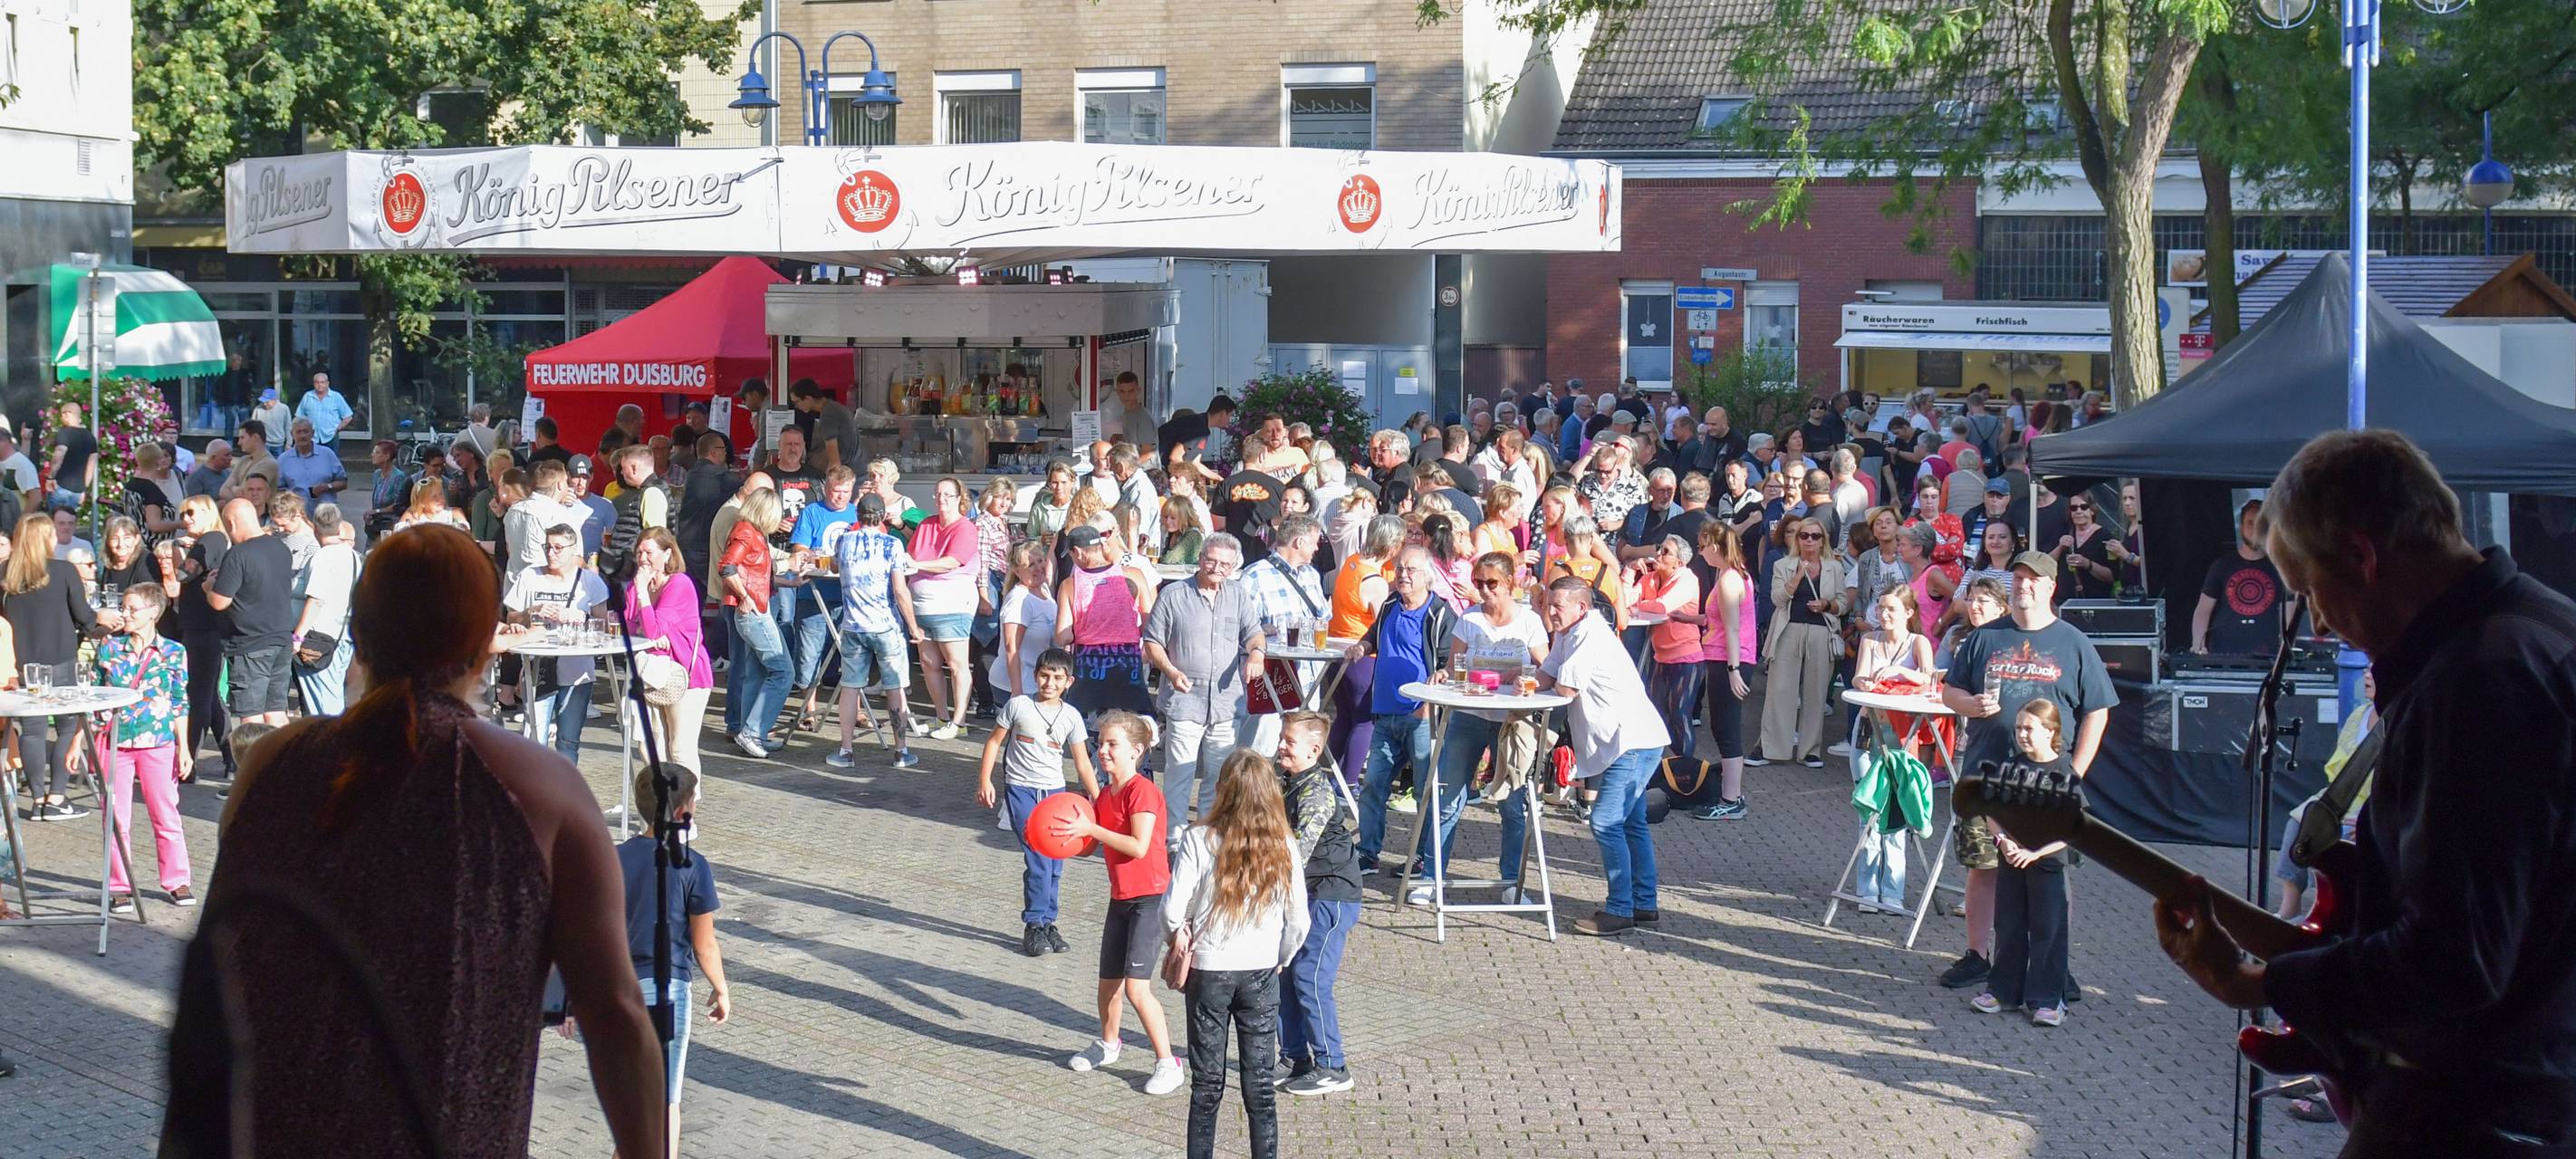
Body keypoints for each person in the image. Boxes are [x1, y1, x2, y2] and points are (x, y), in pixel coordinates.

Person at [161, 524, 663, 1159]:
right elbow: (615, 1014)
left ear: (359, 634)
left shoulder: (272, 764)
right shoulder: (540, 788)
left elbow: (218, 985)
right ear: (485, 644)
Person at [2151, 430, 2576, 1154]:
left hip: (2472, 1111)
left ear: (2361, 557)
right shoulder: (2543, 626)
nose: (2317, 622)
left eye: (2311, 592)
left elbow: (2455, 959)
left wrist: (2263, 983)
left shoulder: (2475, 683)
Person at [1166, 750, 1307, 1159]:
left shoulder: (1198, 838)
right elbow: (1299, 921)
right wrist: (1278, 957)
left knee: (1207, 1085)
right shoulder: (1284, 844)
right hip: (1261, 970)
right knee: (1260, 1086)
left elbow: (1173, 911)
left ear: (1222, 789)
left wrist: (1180, 938)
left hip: (1209, 969)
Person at [1052, 710, 1187, 1097]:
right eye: (1101, 742)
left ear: (1137, 751)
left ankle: (1167, 1062)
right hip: (1120, 897)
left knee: (1136, 989)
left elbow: (1139, 845)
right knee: (1107, 984)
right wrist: (1065, 835)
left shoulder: (1141, 791)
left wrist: (1092, 828)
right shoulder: (1107, 794)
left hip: (1150, 899)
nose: (1103, 750)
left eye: (1113, 744)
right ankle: (1109, 1045)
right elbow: (1095, 843)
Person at [1533, 575, 1670, 935]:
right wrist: (1524, 680)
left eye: (1557, 606)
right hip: (1629, 740)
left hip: (1631, 741)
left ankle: (1621, 909)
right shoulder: (1570, 632)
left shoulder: (1590, 635)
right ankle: (1643, 904)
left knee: (1606, 822)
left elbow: (1566, 687)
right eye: (1549, 604)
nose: (1551, 612)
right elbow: (1547, 675)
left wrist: (1538, 681)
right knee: (1630, 823)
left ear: (1581, 607)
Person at [1421, 552, 1548, 903]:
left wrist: (1521, 676)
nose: (1484, 590)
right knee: (1448, 800)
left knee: (1512, 804)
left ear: (1511, 583)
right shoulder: (1469, 617)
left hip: (1512, 721)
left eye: (1491, 583)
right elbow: (1454, 665)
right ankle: (1431, 879)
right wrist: (1445, 674)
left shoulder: (1530, 622)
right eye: (1479, 583)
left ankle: (1511, 884)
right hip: (1470, 715)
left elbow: (1546, 670)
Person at [974, 647, 1098, 958]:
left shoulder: (1071, 716)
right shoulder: (1018, 705)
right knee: (1039, 860)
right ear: (1035, 675)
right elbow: (993, 742)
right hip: (1021, 791)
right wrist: (985, 780)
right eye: (1044, 676)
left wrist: (1098, 797)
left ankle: (1048, 923)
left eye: (1057, 678)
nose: (1050, 683)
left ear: (1069, 681)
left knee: (1056, 864)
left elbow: (1082, 762)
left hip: (1055, 794)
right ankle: (1033, 925)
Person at [1971, 699, 2078, 1026]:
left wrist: (2035, 853)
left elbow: (2073, 829)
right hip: (2012, 861)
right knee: (2009, 925)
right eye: (2018, 728)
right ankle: (2003, 991)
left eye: (2029, 728)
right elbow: (1992, 812)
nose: (2022, 735)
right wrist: (2003, 842)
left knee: (2048, 929)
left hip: (2048, 866)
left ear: (2050, 731)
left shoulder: (2063, 771)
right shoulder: (2011, 767)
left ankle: (2049, 999)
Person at [1348, 544, 1453, 875]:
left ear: (1428, 577)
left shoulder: (1440, 613)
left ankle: (1422, 857)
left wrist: (1441, 679)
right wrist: (1362, 646)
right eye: (1400, 569)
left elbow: (1450, 659)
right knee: (1373, 785)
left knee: (1424, 791)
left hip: (1421, 715)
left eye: (1411, 570)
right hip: (1385, 711)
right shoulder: (1391, 602)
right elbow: (1373, 637)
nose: (1403, 575)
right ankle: (1368, 853)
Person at [95, 583, 192, 910]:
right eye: (124, 607)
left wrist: (185, 748)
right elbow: (96, 695)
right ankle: (119, 885)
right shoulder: (109, 647)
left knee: (165, 813)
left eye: (132, 608)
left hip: (158, 740)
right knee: (115, 817)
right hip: (115, 740)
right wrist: (81, 740)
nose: (125, 613)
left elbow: (180, 702)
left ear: (153, 612)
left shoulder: (174, 652)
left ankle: (177, 881)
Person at [1936, 576, 2013, 990]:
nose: (1977, 606)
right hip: (1980, 762)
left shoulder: (2025, 638)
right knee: (1980, 864)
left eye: (1986, 600)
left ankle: (2046, 959)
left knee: (2045, 871)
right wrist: (1971, 705)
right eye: (1972, 599)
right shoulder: (1970, 643)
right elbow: (1951, 693)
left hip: (2031, 771)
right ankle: (1977, 954)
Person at [4, 513, 101, 820]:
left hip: (23, 663)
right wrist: (103, 622)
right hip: (61, 658)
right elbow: (85, 616)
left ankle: (36, 800)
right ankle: (57, 798)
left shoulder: (5, 573)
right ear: (47, 539)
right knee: (65, 727)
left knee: (31, 731)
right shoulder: (62, 570)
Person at [830, 493, 925, 770]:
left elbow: (835, 566)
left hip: (853, 625)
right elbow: (899, 589)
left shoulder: (844, 541)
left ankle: (846, 751)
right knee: (894, 688)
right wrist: (913, 626)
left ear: (857, 516)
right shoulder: (892, 544)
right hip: (886, 625)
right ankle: (901, 751)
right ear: (883, 517)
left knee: (850, 687)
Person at [505, 523, 611, 763]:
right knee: (534, 738)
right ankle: (534, 795)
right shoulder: (530, 576)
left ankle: (565, 794)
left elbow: (604, 627)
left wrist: (579, 618)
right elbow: (510, 618)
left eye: (558, 548)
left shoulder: (589, 582)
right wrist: (533, 610)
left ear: (573, 550)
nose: (551, 553)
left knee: (568, 740)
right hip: (538, 666)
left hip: (577, 670)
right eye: (548, 547)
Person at [621, 528, 713, 774]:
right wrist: (647, 627)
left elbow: (650, 629)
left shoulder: (679, 584)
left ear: (667, 554)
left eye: (649, 552)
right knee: (651, 746)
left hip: (686, 675)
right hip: (651, 673)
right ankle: (661, 803)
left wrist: (643, 598)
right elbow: (629, 627)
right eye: (639, 552)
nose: (642, 559)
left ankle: (686, 807)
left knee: (680, 748)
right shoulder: (636, 585)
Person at [1760, 516, 1845, 769]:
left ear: (1823, 541)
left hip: (1821, 631)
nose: (1809, 540)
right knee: (1780, 691)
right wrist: (1798, 576)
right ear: (1797, 540)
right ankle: (1774, 748)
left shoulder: (1835, 567)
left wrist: (1827, 605)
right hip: (1789, 629)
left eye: (1815, 536)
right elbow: (1777, 599)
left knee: (1816, 692)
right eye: (1804, 535)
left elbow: (1842, 604)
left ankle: (1810, 750)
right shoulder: (1783, 564)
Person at [1685, 520, 1755, 819]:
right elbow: (1718, 620)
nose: (1700, 554)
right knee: (1722, 727)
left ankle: (1731, 799)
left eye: (1702, 548)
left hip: (1728, 659)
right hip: (1723, 656)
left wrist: (1734, 668)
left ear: (1714, 547)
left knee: (1726, 728)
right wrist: (1690, 619)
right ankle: (1731, 794)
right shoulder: (1730, 575)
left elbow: (1733, 628)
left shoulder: (1728, 580)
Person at [205, 499, 294, 729]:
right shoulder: (281, 548)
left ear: (232, 524)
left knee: (251, 717)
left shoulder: (238, 554)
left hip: (250, 644)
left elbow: (219, 602)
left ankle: (254, 762)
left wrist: (208, 587)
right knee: (276, 711)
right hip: (281, 640)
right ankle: (283, 762)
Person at [1056, 523, 1158, 722]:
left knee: (1084, 728)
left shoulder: (1070, 585)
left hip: (1088, 664)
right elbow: (1151, 624)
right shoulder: (1133, 575)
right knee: (1131, 727)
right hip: (1127, 662)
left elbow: (1062, 635)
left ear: (1077, 552)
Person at [718, 488, 790, 758]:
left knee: (757, 672)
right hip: (753, 611)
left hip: (754, 608)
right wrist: (744, 596)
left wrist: (788, 581)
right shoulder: (747, 532)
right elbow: (727, 566)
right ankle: (753, 732)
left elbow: (749, 571)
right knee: (783, 672)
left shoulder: (750, 532)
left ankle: (750, 733)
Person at [908, 478, 983, 740]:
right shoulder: (926, 524)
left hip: (952, 604)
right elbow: (910, 556)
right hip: (922, 605)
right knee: (928, 662)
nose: (941, 499)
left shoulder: (966, 528)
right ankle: (941, 716)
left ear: (959, 498)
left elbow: (952, 561)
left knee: (956, 663)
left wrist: (917, 565)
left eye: (948, 495)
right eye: (938, 494)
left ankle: (959, 720)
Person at [1634, 534, 1705, 758]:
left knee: (1680, 713)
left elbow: (1663, 607)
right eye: (1659, 549)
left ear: (1679, 562)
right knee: (1657, 713)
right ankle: (1664, 767)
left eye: (1666, 552)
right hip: (1659, 656)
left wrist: (1638, 605)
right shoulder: (1650, 578)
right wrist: (1628, 572)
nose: (1658, 555)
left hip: (1687, 657)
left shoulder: (1687, 579)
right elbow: (1625, 599)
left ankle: (1685, 771)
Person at [2191, 499, 2287, 656]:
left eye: (2260, 523)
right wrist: (2198, 646)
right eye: (2250, 523)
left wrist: (2286, 650)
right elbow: (2203, 610)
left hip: (2268, 659)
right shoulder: (2221, 566)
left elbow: (2288, 612)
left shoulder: (2281, 568)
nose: (2255, 528)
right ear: (2241, 526)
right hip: (2223, 657)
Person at [290, 504, 360, 715]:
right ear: (339, 528)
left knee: (323, 701)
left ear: (315, 529)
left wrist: (297, 638)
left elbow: (316, 600)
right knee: (334, 694)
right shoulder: (353, 555)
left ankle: (335, 745)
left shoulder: (323, 557)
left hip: (319, 638)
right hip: (343, 635)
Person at [47, 401, 99, 507]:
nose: (61, 418)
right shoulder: (90, 437)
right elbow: (91, 465)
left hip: (60, 485)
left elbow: (59, 455)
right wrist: (84, 489)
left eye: (62, 414)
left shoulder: (65, 433)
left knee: (55, 520)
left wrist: (51, 477)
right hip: (78, 490)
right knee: (69, 521)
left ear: (67, 414)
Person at [1159, 495, 1208, 566]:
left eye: (1173, 518)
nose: (1167, 521)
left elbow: (1170, 560)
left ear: (1184, 518)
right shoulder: (1173, 533)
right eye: (1166, 517)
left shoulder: (1193, 535)